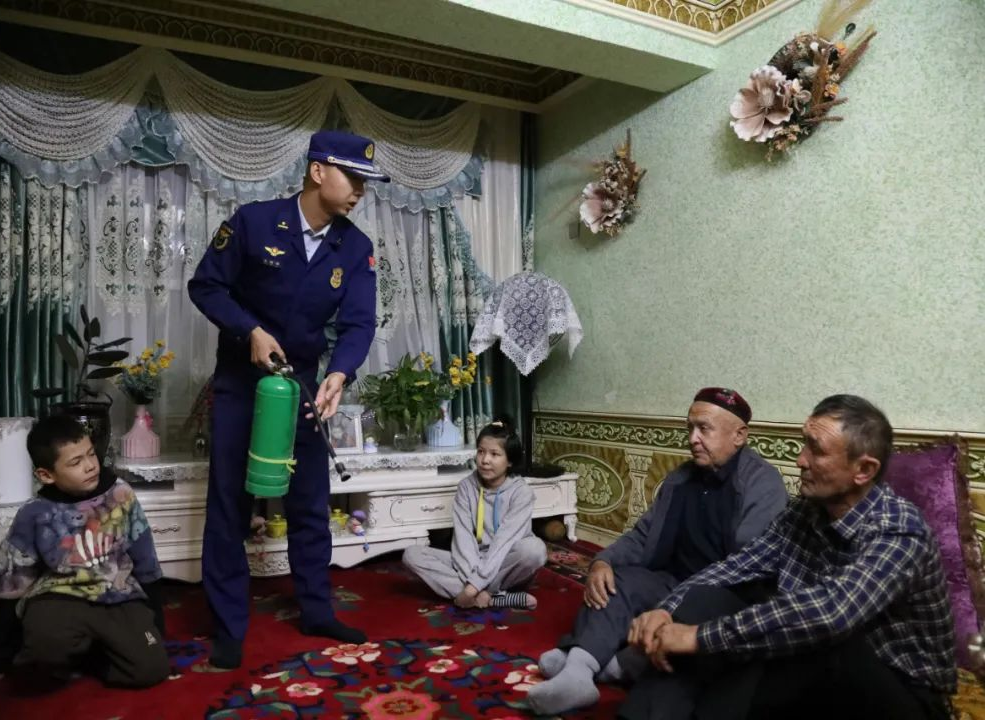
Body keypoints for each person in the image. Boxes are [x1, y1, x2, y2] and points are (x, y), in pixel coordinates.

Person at [623, 394, 955, 720]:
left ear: (864, 470)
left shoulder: (899, 529)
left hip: (899, 691)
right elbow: (737, 565)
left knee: (817, 640)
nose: (800, 460)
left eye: (816, 450)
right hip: (814, 665)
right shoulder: (804, 512)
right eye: (804, 443)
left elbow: (831, 614)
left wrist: (697, 638)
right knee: (707, 600)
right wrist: (668, 609)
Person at [188, 130, 385, 669]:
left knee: (309, 504)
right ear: (318, 171)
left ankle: (317, 611)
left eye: (366, 182)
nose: (360, 190)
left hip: (302, 389)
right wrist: (249, 330)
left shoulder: (356, 248)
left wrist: (339, 373)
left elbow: (359, 322)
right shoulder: (253, 223)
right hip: (241, 386)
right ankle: (228, 627)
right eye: (353, 177)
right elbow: (206, 286)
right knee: (229, 505)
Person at [527, 388, 788, 716]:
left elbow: (747, 564)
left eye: (704, 429)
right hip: (672, 579)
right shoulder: (681, 478)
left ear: (739, 435)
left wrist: (677, 601)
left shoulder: (763, 483)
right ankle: (579, 671)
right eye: (690, 428)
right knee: (617, 581)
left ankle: (610, 666)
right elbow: (643, 535)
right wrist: (603, 561)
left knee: (695, 615)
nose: (692, 439)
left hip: (723, 593)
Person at [0, 415, 168, 688]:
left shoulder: (121, 494)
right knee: (36, 665)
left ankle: (91, 656)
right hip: (59, 596)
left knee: (151, 669)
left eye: (91, 454)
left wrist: (157, 624)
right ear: (46, 475)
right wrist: (0, 649)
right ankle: (67, 650)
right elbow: (10, 580)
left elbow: (145, 558)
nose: (90, 466)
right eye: (75, 462)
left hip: (118, 593)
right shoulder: (34, 513)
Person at [402, 418, 547, 610]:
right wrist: (474, 583)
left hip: (505, 562)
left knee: (534, 550)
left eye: (495, 454)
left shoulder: (521, 493)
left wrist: (471, 589)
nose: (485, 460)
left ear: (510, 461)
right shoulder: (466, 487)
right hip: (471, 561)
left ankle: (473, 594)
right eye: (481, 451)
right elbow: (463, 542)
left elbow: (503, 543)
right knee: (412, 554)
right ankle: (494, 597)